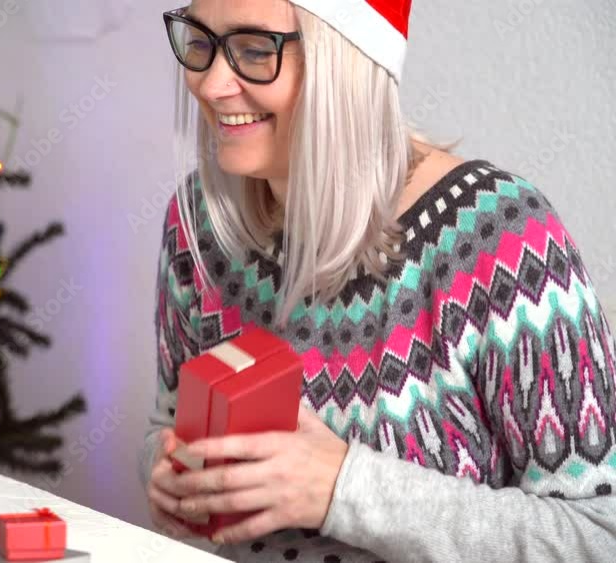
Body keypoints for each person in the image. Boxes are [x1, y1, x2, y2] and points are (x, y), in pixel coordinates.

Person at [138, 1, 616, 561]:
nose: (211, 84)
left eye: (255, 50)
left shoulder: (501, 239)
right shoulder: (198, 221)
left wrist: (341, 489)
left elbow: (597, 535)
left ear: (347, 60)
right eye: (200, 40)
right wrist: (167, 472)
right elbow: (166, 424)